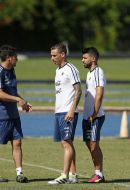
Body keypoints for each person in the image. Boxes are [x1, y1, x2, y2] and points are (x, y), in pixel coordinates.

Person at [0, 45, 32, 183]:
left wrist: (23, 101)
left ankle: (19, 173)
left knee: (17, 143)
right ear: (8, 58)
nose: (17, 59)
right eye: (15, 57)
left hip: (13, 115)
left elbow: (12, 92)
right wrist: (18, 99)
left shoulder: (12, 70)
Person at [48, 43, 82, 185]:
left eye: (54, 55)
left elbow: (78, 90)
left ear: (63, 54)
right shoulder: (58, 70)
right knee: (66, 143)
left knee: (66, 142)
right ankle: (73, 175)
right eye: (51, 55)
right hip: (59, 111)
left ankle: (64, 175)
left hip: (68, 112)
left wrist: (71, 110)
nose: (52, 58)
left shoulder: (71, 69)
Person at [81, 47, 106, 183]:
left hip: (95, 116)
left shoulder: (97, 72)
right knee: (88, 143)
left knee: (93, 144)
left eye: (85, 58)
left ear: (93, 59)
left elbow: (99, 93)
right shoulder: (90, 73)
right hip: (87, 116)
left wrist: (95, 113)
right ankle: (97, 172)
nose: (82, 60)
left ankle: (99, 174)